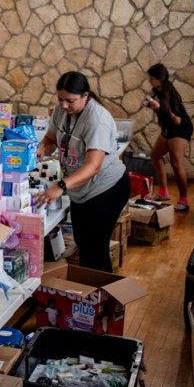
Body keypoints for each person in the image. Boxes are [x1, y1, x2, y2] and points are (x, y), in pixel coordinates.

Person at [33, 71, 130, 273]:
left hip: (106, 189)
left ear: (86, 96)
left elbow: (93, 166)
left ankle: (100, 297)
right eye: (60, 99)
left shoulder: (97, 119)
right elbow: (51, 139)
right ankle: (87, 296)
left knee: (95, 250)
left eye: (70, 101)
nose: (63, 105)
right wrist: (42, 148)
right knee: (84, 244)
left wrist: (61, 187)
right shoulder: (63, 112)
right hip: (81, 189)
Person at [145, 63, 193, 211]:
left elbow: (177, 120)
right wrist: (148, 103)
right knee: (156, 155)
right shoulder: (156, 90)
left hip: (180, 128)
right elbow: (152, 102)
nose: (150, 81)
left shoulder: (169, 93)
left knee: (176, 162)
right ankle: (163, 192)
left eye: (152, 78)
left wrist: (160, 109)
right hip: (168, 129)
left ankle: (184, 200)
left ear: (160, 79)